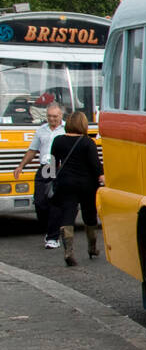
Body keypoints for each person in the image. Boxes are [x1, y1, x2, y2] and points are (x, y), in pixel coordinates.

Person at [47, 111, 104, 267]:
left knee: (68, 214)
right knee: (89, 215)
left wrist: (53, 179)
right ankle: (92, 247)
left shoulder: (58, 141)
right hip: (87, 184)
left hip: (66, 183)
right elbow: (95, 165)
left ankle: (68, 251)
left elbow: (52, 163)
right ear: (83, 124)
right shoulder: (87, 142)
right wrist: (102, 176)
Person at [11, 101, 65, 249]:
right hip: (44, 168)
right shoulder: (41, 130)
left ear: (61, 115)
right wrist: (21, 166)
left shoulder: (67, 129)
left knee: (55, 203)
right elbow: (32, 150)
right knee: (40, 202)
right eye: (49, 116)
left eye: (55, 116)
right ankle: (50, 229)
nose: (52, 119)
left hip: (59, 168)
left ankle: (53, 237)